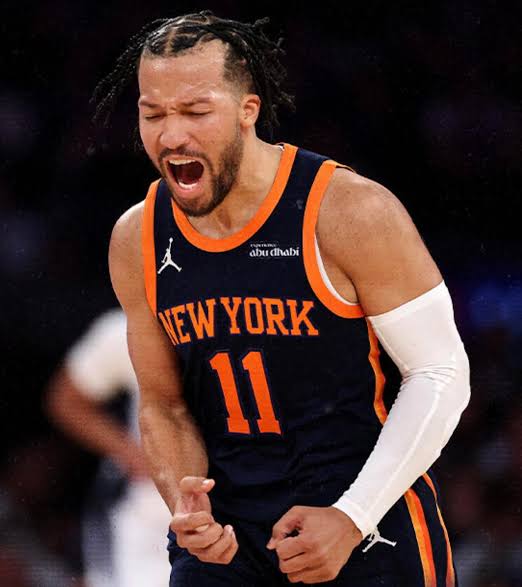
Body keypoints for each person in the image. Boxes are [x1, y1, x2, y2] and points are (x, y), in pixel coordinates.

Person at [97, 11, 470, 586]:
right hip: (227, 540)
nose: (171, 135)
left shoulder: (348, 210)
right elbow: (164, 405)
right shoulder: (137, 238)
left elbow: (440, 371)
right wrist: (184, 502)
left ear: (248, 111)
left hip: (363, 520)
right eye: (153, 114)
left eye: (195, 111)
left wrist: (352, 516)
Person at [46, 309, 171, 587]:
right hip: (151, 518)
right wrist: (131, 454)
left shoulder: (250, 323)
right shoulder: (131, 327)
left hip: (235, 508)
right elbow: (66, 399)